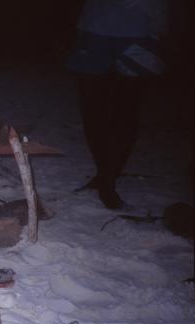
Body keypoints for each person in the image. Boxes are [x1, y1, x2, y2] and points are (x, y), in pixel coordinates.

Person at [67, 0, 168, 209]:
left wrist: (161, 26)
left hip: (139, 28)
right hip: (95, 27)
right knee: (92, 108)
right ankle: (105, 174)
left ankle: (108, 180)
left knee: (127, 109)